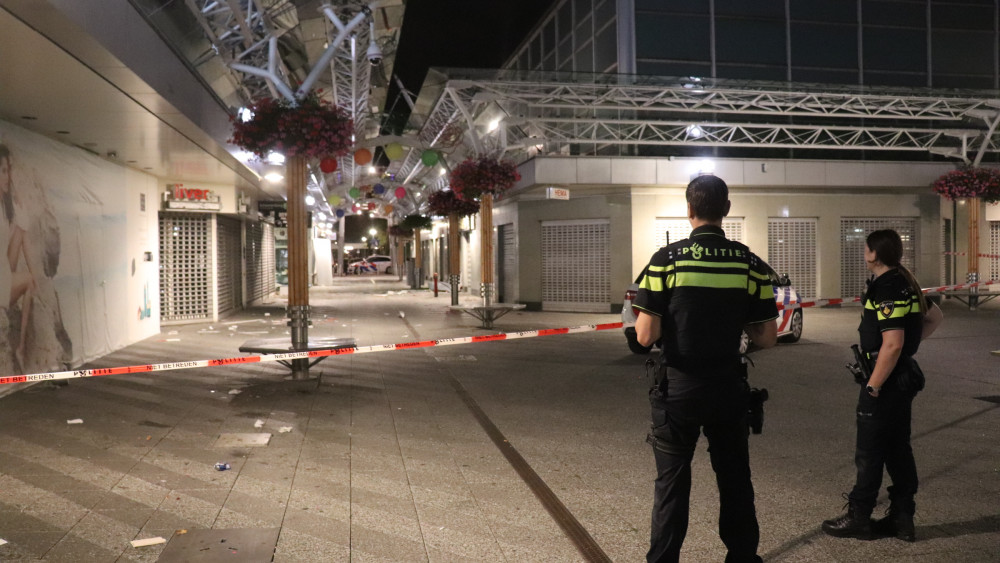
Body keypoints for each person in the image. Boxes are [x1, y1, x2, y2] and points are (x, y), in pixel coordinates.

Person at [633, 174, 778, 563]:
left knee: (672, 485)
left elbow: (645, 336)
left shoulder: (665, 260)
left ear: (689, 210)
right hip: (728, 388)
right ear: (726, 210)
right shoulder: (749, 263)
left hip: (678, 391)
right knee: (735, 480)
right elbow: (767, 337)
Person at [821, 229, 943, 542]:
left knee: (870, 451)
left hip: (886, 379)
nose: (864, 252)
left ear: (875, 253)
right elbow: (935, 317)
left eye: (866, 248)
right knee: (897, 448)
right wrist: (908, 346)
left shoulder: (887, 286)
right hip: (901, 376)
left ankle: (859, 517)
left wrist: (873, 386)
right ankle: (902, 519)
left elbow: (893, 343)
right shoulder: (905, 282)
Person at [0, 143, 37, 371]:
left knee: (22, 230)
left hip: (3, 271)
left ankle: (21, 348)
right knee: (30, 280)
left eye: (9, 171)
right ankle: (21, 348)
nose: (8, 177)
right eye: (3, 171)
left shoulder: (5, 206)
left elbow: (20, 226)